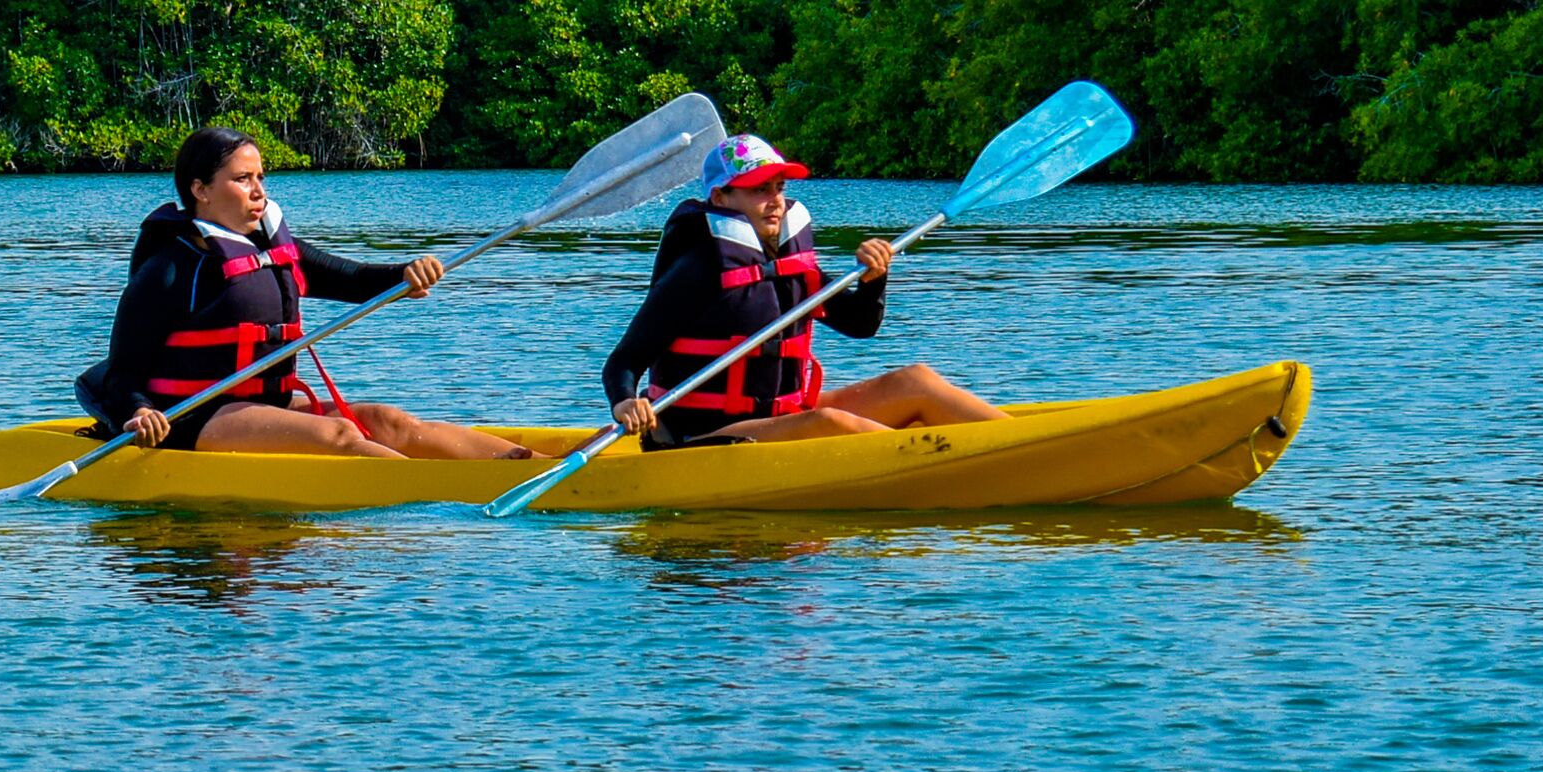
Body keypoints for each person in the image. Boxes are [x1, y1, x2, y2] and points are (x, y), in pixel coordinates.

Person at [79, 126, 527, 461]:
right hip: (190, 418)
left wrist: (407, 273)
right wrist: (139, 412)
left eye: (260, 177)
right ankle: (448, 493)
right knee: (339, 437)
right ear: (200, 190)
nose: (259, 192)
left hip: (266, 407)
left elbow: (351, 279)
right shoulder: (171, 269)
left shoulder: (274, 250)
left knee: (387, 421)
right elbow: (122, 372)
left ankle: (531, 468)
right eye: (242, 179)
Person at [600, 133, 1006, 448]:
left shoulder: (790, 264)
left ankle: (1032, 441)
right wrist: (625, 402)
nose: (775, 200)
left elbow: (861, 325)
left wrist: (873, 280)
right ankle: (943, 458)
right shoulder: (698, 269)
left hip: (785, 415)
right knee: (829, 424)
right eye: (759, 189)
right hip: (698, 438)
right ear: (721, 197)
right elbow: (624, 360)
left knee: (915, 381)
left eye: (778, 187)